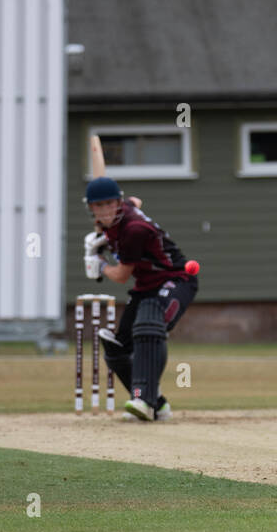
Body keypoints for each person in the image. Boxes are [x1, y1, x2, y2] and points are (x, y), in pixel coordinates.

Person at [84, 179, 196, 421]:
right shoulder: (121, 212)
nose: (104, 210)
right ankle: (157, 404)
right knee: (117, 349)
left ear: (117, 203)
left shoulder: (134, 230)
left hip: (176, 280)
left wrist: (100, 264)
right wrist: (102, 237)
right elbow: (136, 201)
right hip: (147, 285)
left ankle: (143, 400)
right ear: (90, 207)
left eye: (109, 204)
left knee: (148, 325)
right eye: (98, 205)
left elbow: (122, 276)